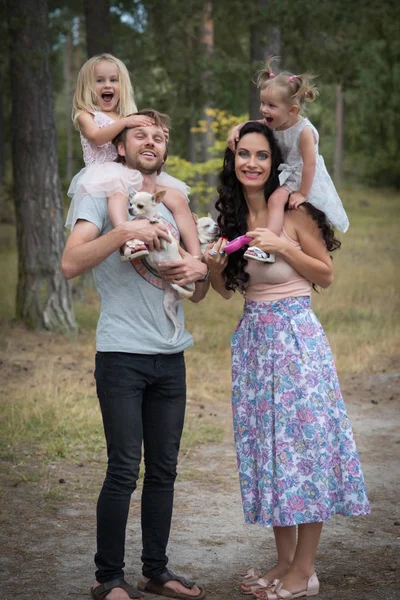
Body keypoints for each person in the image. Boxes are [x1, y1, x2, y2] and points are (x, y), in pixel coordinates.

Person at [205, 121, 369, 600]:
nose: (252, 163)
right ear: (233, 161)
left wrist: (284, 247)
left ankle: (304, 571)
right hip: (254, 344)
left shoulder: (295, 211)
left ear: (274, 164)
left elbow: (326, 274)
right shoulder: (232, 221)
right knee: (269, 453)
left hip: (296, 340)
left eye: (262, 155)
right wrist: (215, 267)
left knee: (302, 450)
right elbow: (226, 291)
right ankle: (282, 561)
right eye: (244, 155)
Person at [62, 110, 208, 600]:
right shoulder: (100, 190)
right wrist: (122, 234)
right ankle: (109, 580)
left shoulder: (175, 197)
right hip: (122, 352)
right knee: (124, 467)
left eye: (159, 136)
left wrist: (195, 271)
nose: (151, 141)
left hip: (171, 355)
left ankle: (156, 572)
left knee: (164, 468)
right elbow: (69, 263)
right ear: (119, 146)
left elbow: (203, 289)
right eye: (140, 134)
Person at [68, 53, 201, 261]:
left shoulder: (126, 117)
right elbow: (96, 137)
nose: (107, 85)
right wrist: (124, 124)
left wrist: (159, 134)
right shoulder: (87, 115)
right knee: (117, 192)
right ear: (87, 87)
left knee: (176, 197)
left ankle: (195, 256)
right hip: (104, 172)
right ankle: (128, 239)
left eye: (114, 80)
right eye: (99, 80)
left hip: (132, 172)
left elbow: (143, 145)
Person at [227, 57, 349, 264]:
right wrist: (237, 128)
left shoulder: (304, 132)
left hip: (302, 176)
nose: (264, 110)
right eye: (263, 103)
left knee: (275, 200)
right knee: (272, 200)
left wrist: (302, 192)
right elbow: (254, 123)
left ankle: (267, 247)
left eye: (271, 105)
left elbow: (310, 165)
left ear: (292, 111)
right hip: (288, 173)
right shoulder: (277, 121)